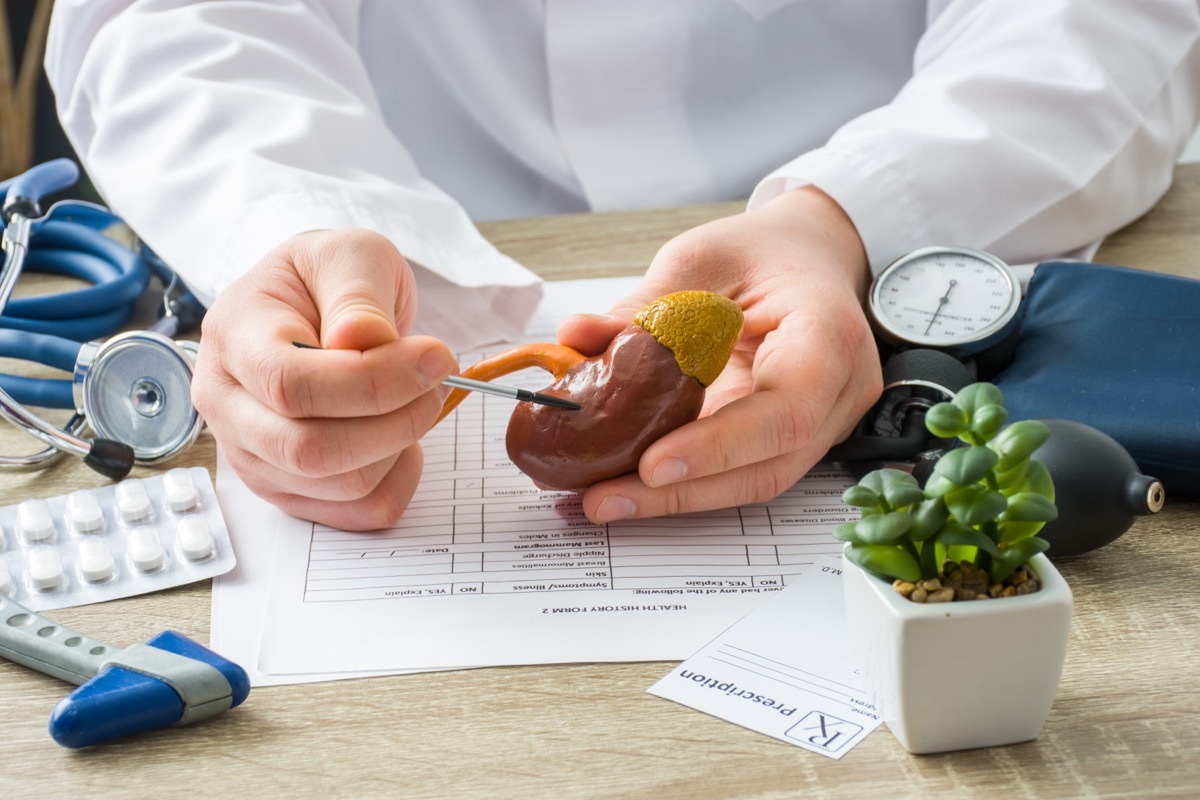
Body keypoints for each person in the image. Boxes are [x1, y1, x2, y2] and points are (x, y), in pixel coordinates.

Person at [45, 1, 1200, 531]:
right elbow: (172, 19)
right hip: (411, 226)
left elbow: (1102, 18)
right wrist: (290, 220)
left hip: (870, 241)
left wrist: (847, 219)